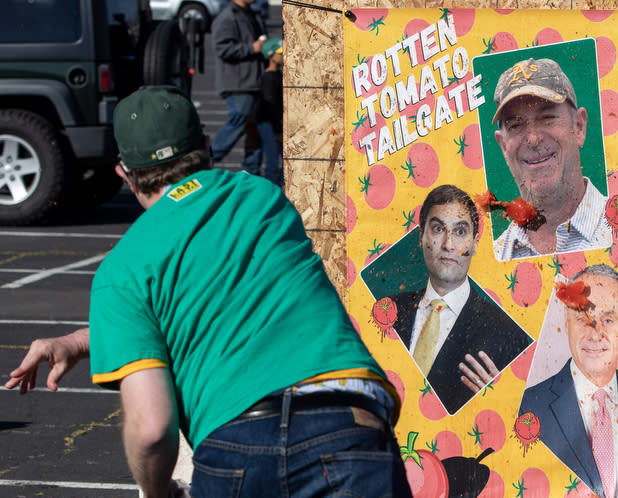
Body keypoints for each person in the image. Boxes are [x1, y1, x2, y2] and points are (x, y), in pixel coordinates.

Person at [5, 86, 411, 498]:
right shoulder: (262, 197)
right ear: (203, 146)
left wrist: (159, 491)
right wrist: (79, 341)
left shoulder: (122, 269)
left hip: (237, 439)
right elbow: (215, 299)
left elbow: (150, 430)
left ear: (124, 175)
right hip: (347, 420)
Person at [386, 184, 531, 415]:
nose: (448, 244)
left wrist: (503, 399)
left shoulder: (509, 336)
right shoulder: (387, 312)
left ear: (474, 244)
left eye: (460, 231)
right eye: (437, 229)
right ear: (421, 237)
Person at [517, 264, 618, 498]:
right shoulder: (527, 407)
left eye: (609, 320)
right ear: (566, 321)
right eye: (583, 318)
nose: (595, 333)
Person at [491, 57, 612, 261]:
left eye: (547, 118)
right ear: (503, 146)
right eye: (515, 125)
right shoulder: (492, 260)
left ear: (579, 127)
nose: (533, 139)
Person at [210, 0, 267, 173]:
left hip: (255, 82)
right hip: (238, 83)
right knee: (239, 120)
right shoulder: (227, 17)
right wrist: (251, 48)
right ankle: (209, 156)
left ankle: (251, 169)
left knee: (255, 127)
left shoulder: (252, 14)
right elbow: (222, 49)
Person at [244, 36, 284, 187]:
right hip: (267, 123)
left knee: (278, 158)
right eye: (280, 53)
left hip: (272, 123)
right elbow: (270, 106)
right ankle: (271, 188)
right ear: (270, 55)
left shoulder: (278, 75)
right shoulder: (269, 78)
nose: (283, 56)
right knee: (272, 159)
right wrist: (278, 130)